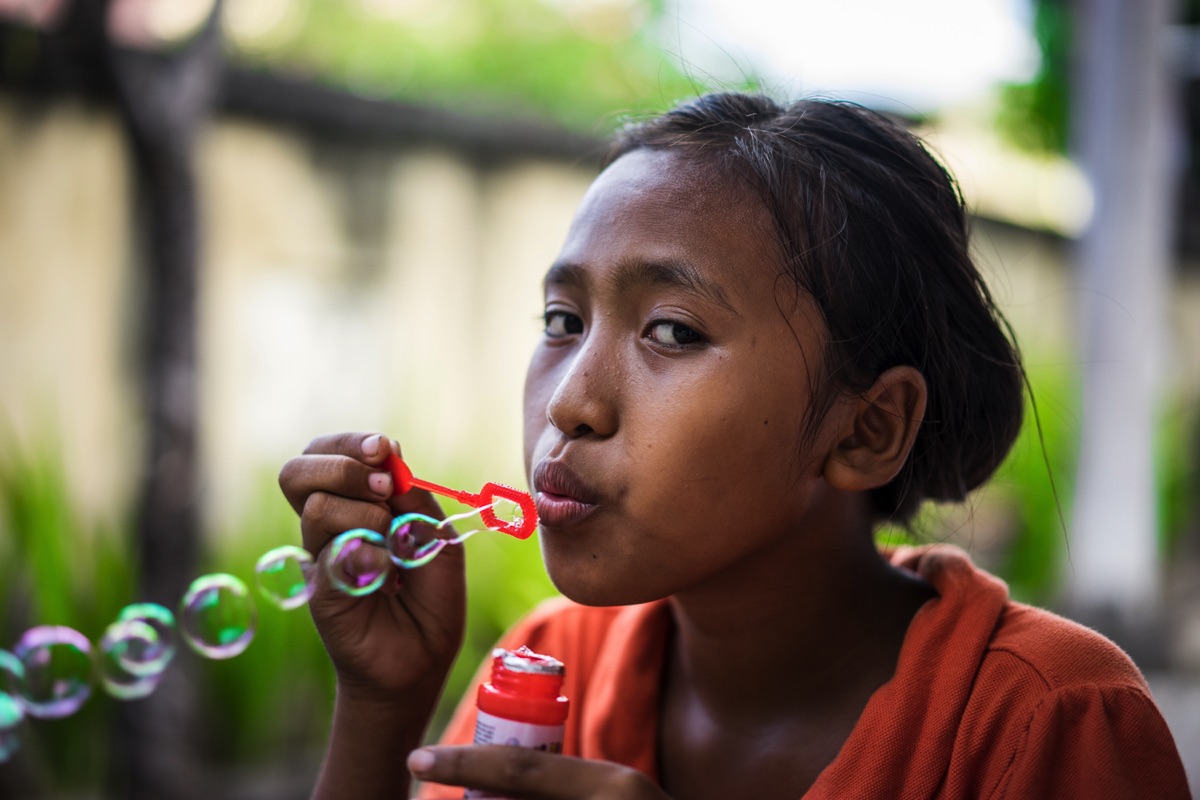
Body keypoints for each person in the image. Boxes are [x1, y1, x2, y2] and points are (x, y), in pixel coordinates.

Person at [278, 93, 1191, 800]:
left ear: (866, 429)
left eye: (672, 332)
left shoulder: (1044, 721)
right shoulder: (559, 664)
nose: (572, 403)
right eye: (562, 319)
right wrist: (380, 703)